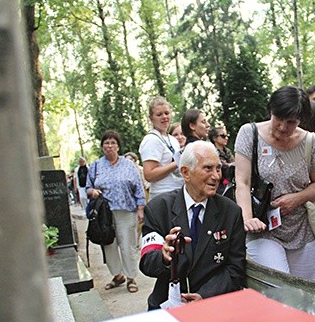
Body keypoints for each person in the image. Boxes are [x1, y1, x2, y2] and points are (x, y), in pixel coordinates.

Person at [234, 86, 315, 281]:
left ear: (300, 120)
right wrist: (247, 218)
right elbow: (242, 181)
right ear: (271, 112)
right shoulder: (249, 134)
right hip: (263, 227)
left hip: (300, 227)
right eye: (279, 119)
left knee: (306, 293)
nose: (283, 127)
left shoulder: (310, 142)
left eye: (291, 122)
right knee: (280, 287)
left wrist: (298, 198)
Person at [139, 141, 246, 310]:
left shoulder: (231, 212)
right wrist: (164, 257)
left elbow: (235, 267)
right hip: (168, 306)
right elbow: (147, 263)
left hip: (214, 305)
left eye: (218, 169)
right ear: (186, 173)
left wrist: (206, 295)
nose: (216, 176)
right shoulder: (158, 208)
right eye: (208, 168)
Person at [87, 130, 146, 293]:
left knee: (128, 246)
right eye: (106, 143)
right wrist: (92, 192)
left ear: (118, 146)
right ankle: (117, 275)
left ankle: (131, 277)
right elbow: (88, 187)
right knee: (109, 245)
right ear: (102, 147)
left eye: (113, 143)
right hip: (105, 213)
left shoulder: (128, 165)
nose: (109, 146)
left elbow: (138, 187)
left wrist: (141, 208)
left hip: (127, 211)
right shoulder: (96, 166)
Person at [139, 97, 183, 200]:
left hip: (177, 191)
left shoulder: (172, 139)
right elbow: (149, 175)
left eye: (167, 113)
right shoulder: (151, 140)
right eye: (159, 114)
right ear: (151, 118)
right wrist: (177, 162)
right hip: (163, 195)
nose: (164, 117)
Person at [209, 126, 235, 195]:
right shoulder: (211, 152)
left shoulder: (228, 151)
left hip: (230, 182)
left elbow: (234, 165)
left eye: (227, 136)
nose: (226, 138)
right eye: (223, 136)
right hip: (218, 185)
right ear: (214, 138)